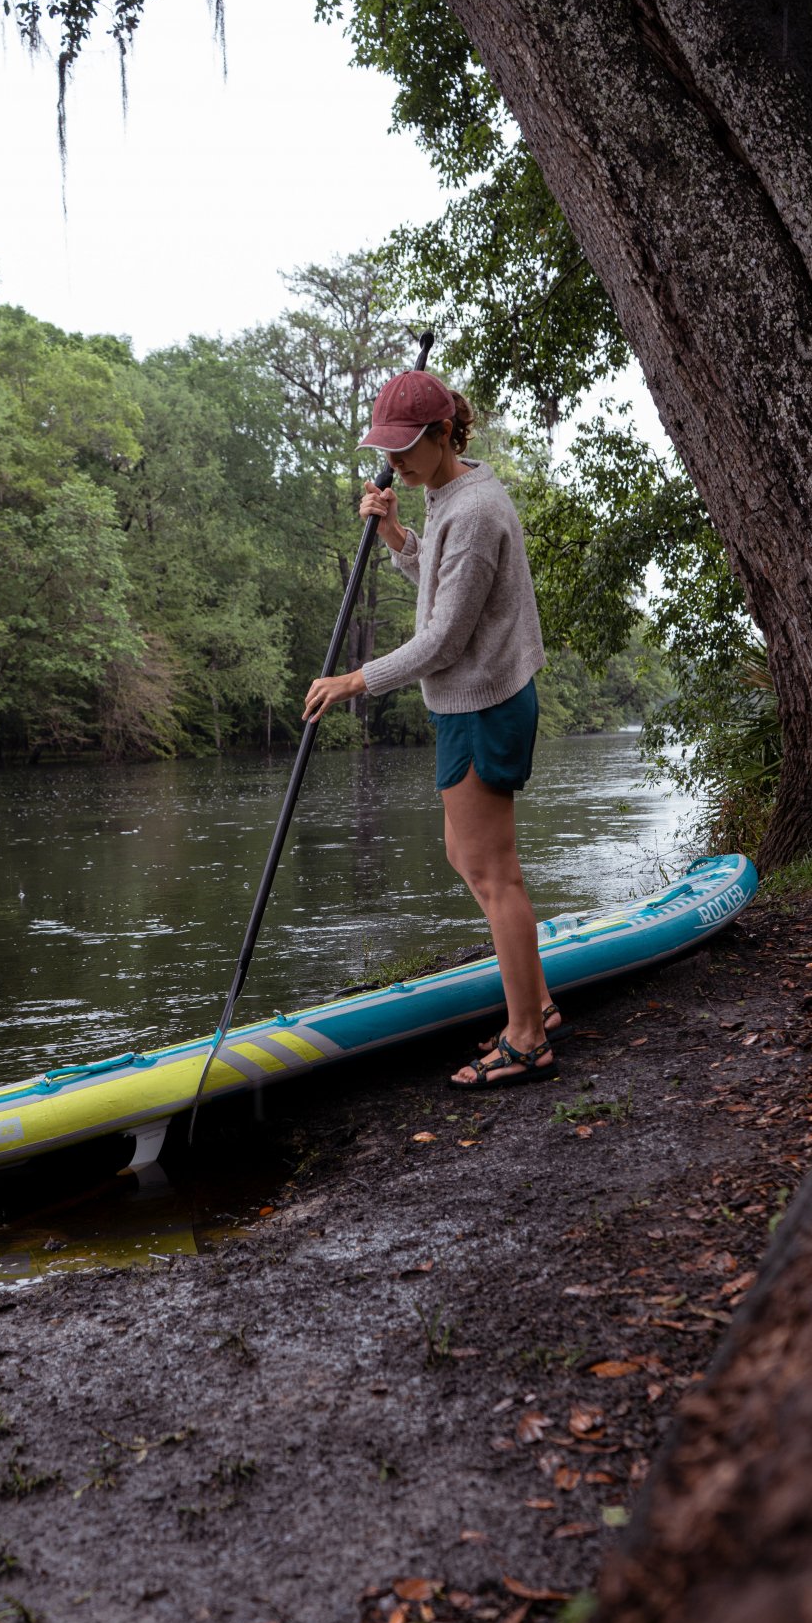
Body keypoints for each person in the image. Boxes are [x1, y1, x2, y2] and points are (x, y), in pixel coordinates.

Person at [302, 367, 564, 1088]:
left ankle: (527, 1037)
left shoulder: (474, 510)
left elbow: (445, 639)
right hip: (466, 702)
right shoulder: (449, 493)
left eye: (406, 447)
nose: (394, 462)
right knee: (465, 855)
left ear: (444, 433)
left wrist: (356, 680)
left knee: (494, 873)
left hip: (483, 703)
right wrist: (397, 536)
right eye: (386, 449)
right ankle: (537, 1001)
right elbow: (447, 592)